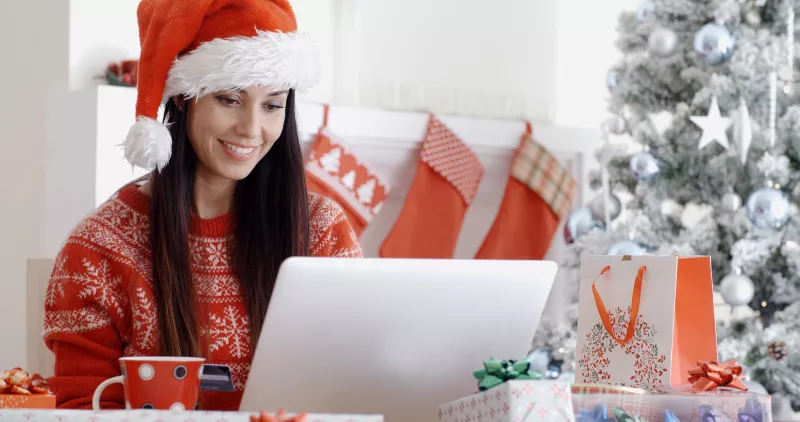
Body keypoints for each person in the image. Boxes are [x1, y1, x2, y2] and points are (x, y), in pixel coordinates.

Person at [42, 0, 362, 411]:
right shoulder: (99, 250)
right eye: (229, 99)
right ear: (181, 98)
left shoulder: (322, 232)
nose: (251, 129)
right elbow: (81, 411)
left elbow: (353, 389)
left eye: (272, 105)